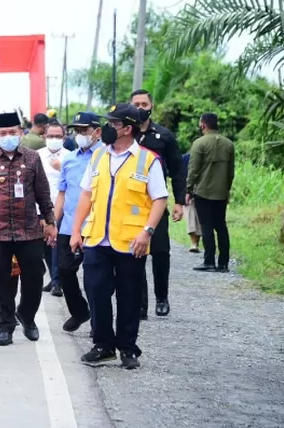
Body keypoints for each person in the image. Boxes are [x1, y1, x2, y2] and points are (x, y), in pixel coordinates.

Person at [70, 103, 168, 370]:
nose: (107, 129)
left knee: (129, 296)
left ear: (128, 128)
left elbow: (159, 199)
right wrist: (76, 230)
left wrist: (147, 232)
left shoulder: (148, 160)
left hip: (130, 241)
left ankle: (127, 348)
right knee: (96, 293)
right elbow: (86, 195)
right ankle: (103, 346)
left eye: (113, 124)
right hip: (97, 239)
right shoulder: (98, 157)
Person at [0, 111, 56, 346]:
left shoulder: (32, 157)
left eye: (12, 132)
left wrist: (50, 221)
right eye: (3, 133)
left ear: (20, 133)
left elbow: (43, 192)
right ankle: (4, 325)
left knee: (35, 277)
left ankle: (26, 315)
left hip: (29, 230)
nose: (8, 136)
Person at [130, 89, 186, 318]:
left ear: (151, 106)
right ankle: (140, 304)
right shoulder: (126, 135)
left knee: (161, 252)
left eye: (144, 104)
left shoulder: (164, 136)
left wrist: (180, 202)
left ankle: (162, 298)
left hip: (157, 203)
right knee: (136, 255)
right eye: (136, 104)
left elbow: (177, 170)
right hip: (131, 205)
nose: (141, 108)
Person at [55, 112, 103, 333]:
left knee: (95, 280)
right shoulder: (70, 158)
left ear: (97, 131)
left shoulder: (106, 156)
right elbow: (62, 194)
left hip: (96, 226)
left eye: (85, 130)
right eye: (77, 130)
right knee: (65, 271)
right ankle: (80, 311)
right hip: (69, 227)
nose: (81, 134)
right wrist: (52, 223)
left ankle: (98, 325)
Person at [188, 112, 235, 273]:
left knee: (206, 226)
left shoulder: (199, 143)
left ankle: (209, 261)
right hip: (221, 192)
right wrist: (227, 190)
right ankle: (223, 263)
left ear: (203, 125)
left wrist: (188, 189)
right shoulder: (228, 144)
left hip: (203, 191)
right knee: (221, 226)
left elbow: (193, 170)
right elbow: (231, 172)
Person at [37, 120, 72, 296]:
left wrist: (61, 169)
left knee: (57, 245)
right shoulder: (36, 155)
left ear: (64, 138)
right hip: (40, 209)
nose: (54, 139)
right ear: (44, 137)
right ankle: (53, 277)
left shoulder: (70, 157)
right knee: (45, 249)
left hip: (62, 208)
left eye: (58, 136)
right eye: (51, 136)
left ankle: (58, 282)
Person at [182, 152, 202, 252]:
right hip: (188, 191)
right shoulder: (186, 158)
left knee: (199, 218)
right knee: (190, 217)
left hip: (201, 191)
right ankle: (194, 243)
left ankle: (196, 243)